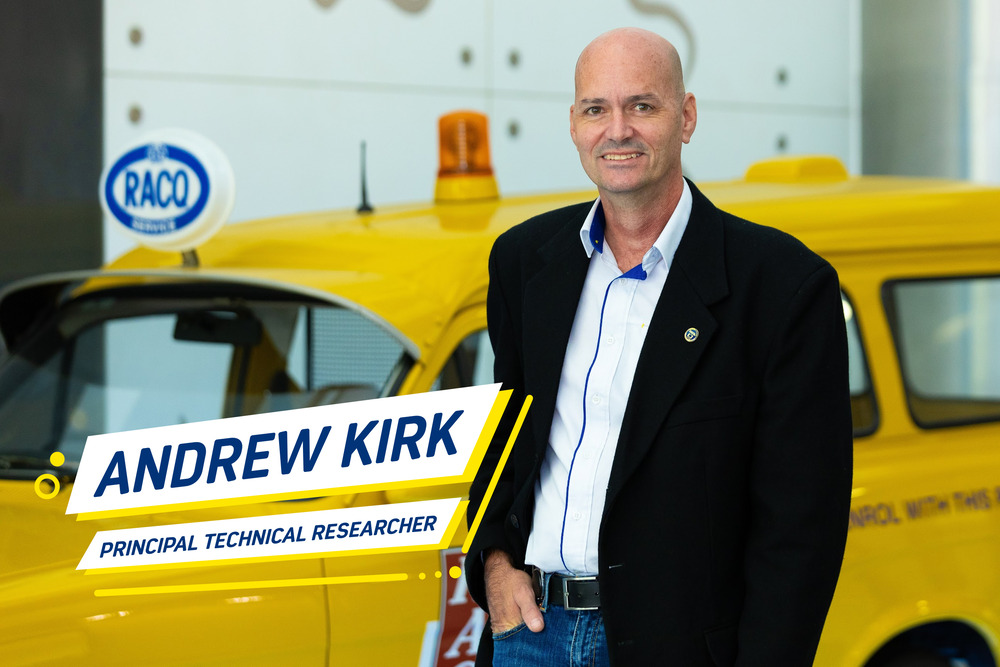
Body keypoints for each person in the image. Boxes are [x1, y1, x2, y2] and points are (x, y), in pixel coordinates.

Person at [466, 27, 853, 666]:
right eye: (597, 109)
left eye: (642, 106)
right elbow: (507, 444)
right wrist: (496, 565)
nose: (617, 130)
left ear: (686, 116)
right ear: (573, 124)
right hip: (529, 638)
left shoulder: (783, 287)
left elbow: (801, 533)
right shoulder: (523, 263)